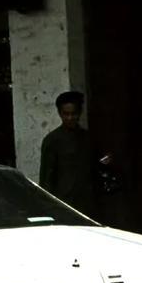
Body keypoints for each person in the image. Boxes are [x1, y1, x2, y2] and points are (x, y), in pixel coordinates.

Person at [39, 90, 106, 218]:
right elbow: (46, 178)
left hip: (89, 204)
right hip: (64, 205)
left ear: (79, 113)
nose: (70, 118)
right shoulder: (52, 140)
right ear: (60, 114)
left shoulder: (88, 138)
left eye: (73, 114)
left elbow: (97, 167)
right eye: (66, 114)